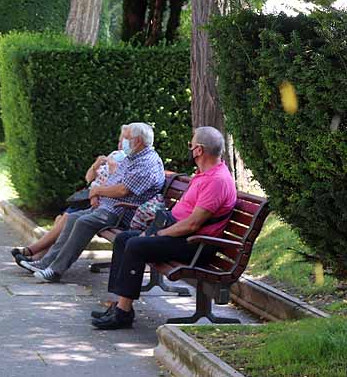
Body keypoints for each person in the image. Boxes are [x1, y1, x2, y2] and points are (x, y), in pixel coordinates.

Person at [91, 126, 237, 330]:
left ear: (199, 150)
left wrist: (159, 233)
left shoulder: (217, 181)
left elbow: (193, 224)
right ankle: (118, 305)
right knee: (125, 239)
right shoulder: (205, 174)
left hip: (195, 244)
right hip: (178, 232)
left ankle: (123, 313)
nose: (190, 149)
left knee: (135, 245)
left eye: (191, 144)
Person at [19, 122, 164, 283]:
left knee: (84, 222)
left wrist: (97, 191)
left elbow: (123, 190)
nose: (123, 142)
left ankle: (55, 270)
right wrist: (97, 194)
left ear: (137, 141)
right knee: (73, 218)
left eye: (127, 138)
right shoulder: (134, 157)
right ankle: (46, 262)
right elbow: (113, 180)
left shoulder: (146, 163)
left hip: (121, 212)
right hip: (108, 206)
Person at [12, 125, 131, 266]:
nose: (119, 144)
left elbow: (113, 186)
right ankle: (39, 258)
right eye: (119, 141)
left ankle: (34, 253)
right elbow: (88, 178)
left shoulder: (126, 161)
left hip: (99, 201)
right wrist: (96, 165)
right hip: (90, 198)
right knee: (60, 219)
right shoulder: (113, 155)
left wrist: (97, 191)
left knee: (66, 219)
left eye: (123, 141)